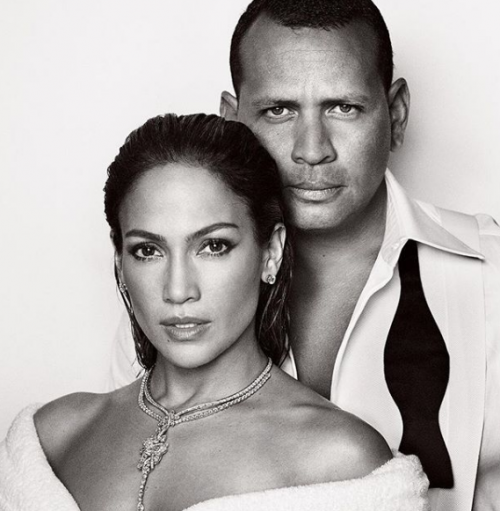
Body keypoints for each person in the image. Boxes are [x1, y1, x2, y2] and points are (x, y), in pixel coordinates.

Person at [108, 1, 500, 510]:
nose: (312, 150)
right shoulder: (176, 304)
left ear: (397, 114)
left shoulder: (490, 279)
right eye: (279, 111)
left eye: (343, 108)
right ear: (232, 121)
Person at [0, 114, 428, 510]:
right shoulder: (51, 438)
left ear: (271, 252)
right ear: (120, 263)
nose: (178, 290)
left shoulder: (342, 459)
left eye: (213, 246)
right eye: (148, 251)